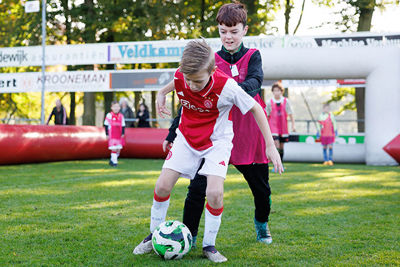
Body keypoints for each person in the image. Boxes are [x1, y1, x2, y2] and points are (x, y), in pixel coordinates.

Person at [132, 40, 283, 263]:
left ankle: (208, 246)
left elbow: (256, 108)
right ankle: (154, 235)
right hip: (186, 138)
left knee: (214, 193)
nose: (192, 86)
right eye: (188, 80)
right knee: (162, 185)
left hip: (217, 142)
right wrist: (161, 93)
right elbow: (174, 82)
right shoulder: (184, 74)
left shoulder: (227, 86)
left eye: (198, 81)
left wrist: (270, 146)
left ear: (213, 71)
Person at [164, 1, 276, 251]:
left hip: (249, 133)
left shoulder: (253, 56)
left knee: (261, 189)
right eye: (223, 31)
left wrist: (230, 91)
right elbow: (188, 99)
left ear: (244, 30)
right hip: (213, 134)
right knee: (197, 189)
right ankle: (189, 236)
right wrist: (173, 131)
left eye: (234, 31)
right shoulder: (209, 60)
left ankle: (261, 224)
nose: (228, 36)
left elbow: (256, 82)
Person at [265, 82, 295, 162]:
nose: (276, 92)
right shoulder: (269, 102)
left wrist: (293, 126)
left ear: (281, 91)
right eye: (274, 91)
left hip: (283, 127)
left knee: (282, 146)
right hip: (273, 127)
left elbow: (290, 114)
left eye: (278, 90)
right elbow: (266, 116)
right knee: (276, 144)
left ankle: (280, 162)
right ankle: (275, 162)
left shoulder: (286, 101)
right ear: (272, 92)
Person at [104, 101, 125, 167]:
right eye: (115, 107)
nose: (116, 108)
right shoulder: (109, 115)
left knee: (118, 149)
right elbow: (106, 125)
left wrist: (123, 133)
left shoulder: (121, 116)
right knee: (114, 148)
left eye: (117, 106)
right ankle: (115, 163)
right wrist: (107, 134)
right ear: (111, 108)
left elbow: (123, 125)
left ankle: (112, 160)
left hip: (118, 135)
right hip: (112, 135)